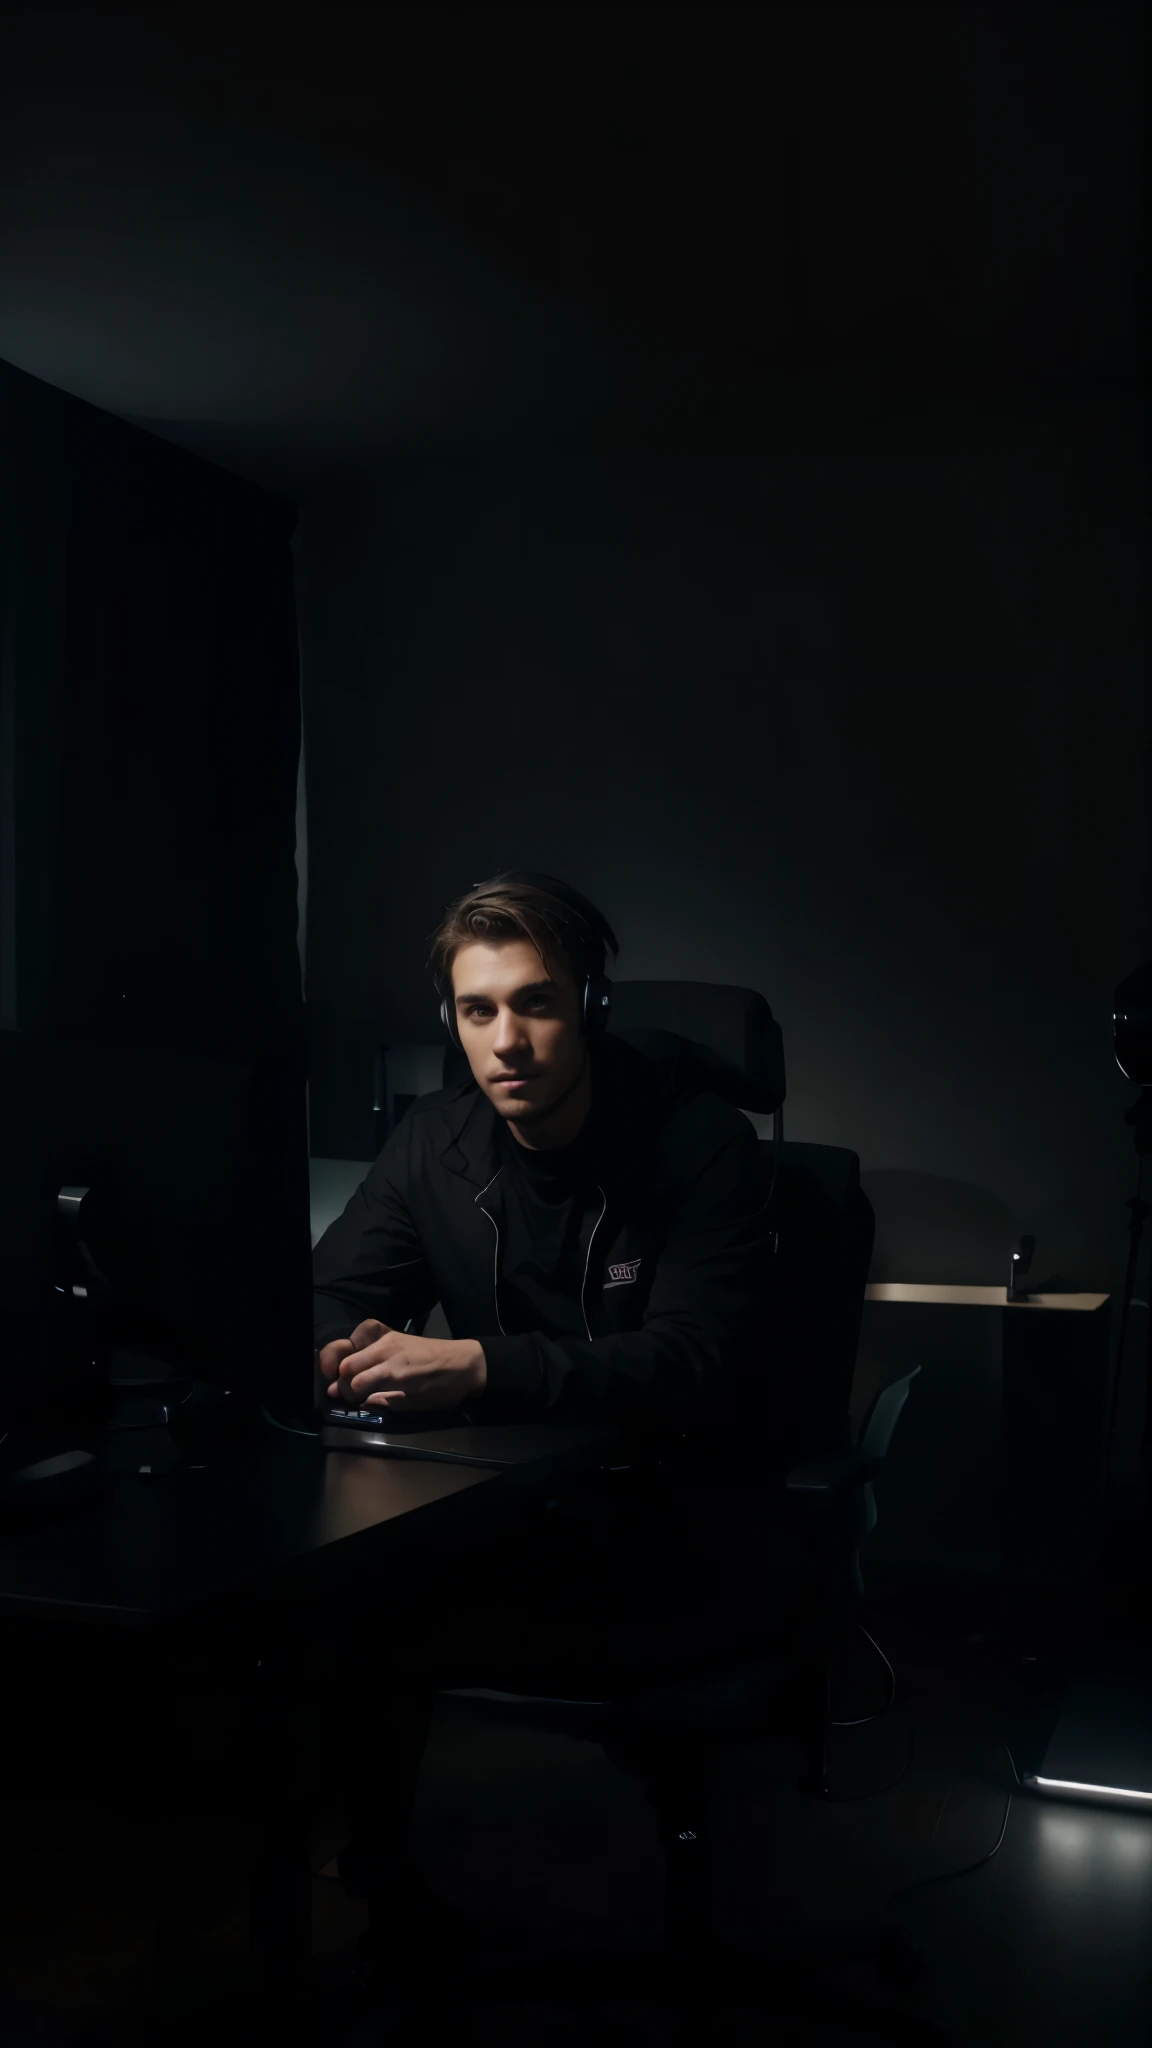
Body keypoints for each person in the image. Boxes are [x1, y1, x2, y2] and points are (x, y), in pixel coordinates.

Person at [305, 872, 820, 1993]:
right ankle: (380, 1897)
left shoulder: (701, 1144)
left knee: (381, 1616)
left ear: (590, 1002)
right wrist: (338, 1344)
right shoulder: (433, 1143)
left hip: (681, 1517)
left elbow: (692, 1358)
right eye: (478, 1010)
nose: (509, 1041)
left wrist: (485, 1363)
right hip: (512, 1506)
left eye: (535, 1002)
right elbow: (332, 1292)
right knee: (331, 1597)